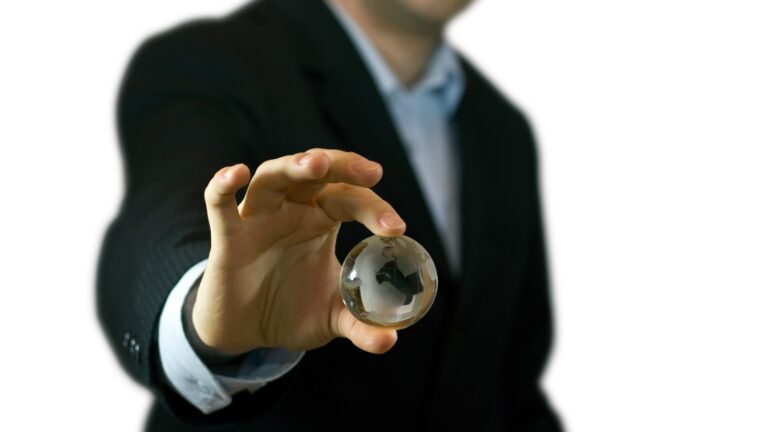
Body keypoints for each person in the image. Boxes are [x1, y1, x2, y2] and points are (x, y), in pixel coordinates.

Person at [97, 0, 563, 430]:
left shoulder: (504, 131)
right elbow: (156, 217)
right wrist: (203, 305)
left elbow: (510, 385)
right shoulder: (212, 61)